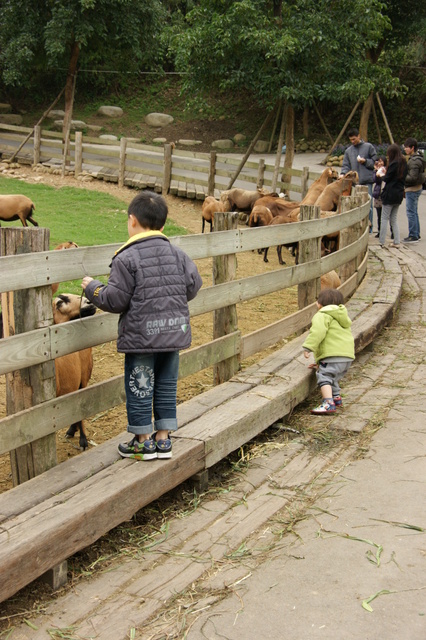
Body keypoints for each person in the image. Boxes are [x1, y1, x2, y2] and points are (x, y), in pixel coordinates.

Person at [81, 191, 202, 460]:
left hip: (142, 337)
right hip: (172, 332)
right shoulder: (178, 254)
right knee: (166, 384)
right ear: (163, 224)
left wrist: (93, 288)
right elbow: (193, 285)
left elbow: (115, 299)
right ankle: (163, 439)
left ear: (132, 221)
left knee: (140, 384)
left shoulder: (126, 258)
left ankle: (143, 441)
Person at [302, 288, 355, 415]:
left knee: (324, 376)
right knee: (333, 376)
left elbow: (318, 332)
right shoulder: (342, 316)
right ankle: (336, 398)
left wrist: (308, 347)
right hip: (347, 356)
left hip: (332, 355)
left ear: (319, 303)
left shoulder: (322, 315)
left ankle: (328, 403)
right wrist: (321, 362)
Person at [340, 128, 377, 232]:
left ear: (359, 136)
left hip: (367, 181)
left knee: (368, 205)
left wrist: (365, 161)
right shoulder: (348, 151)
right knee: (355, 205)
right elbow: (345, 165)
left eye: (354, 139)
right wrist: (343, 174)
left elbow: (375, 162)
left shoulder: (369, 147)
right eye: (351, 140)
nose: (353, 141)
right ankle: (357, 227)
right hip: (354, 182)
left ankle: (368, 228)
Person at [378, 143, 408, 249]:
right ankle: (397, 241)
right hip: (399, 194)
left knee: (384, 218)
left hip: (390, 194)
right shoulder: (404, 163)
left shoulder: (393, 163)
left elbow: (387, 179)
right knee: (394, 218)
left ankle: (381, 241)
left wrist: (381, 175)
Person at [402, 137, 425, 243]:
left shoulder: (414, 161)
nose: (405, 149)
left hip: (412, 188)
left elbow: (412, 177)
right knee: (414, 212)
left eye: (407, 147)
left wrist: (401, 177)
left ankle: (413, 235)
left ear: (412, 148)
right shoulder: (417, 158)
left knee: (411, 212)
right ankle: (416, 233)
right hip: (417, 187)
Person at [373, 156, 386, 238]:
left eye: (382, 161)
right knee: (379, 214)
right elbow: (375, 180)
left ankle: (391, 232)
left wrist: (382, 174)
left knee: (387, 214)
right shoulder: (376, 171)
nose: (380, 163)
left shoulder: (386, 170)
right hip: (378, 194)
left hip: (385, 194)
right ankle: (379, 231)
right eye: (379, 161)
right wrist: (376, 172)